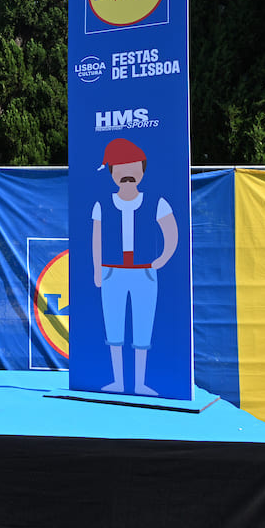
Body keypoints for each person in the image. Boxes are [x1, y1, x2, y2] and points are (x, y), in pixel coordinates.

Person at [92, 138, 178, 396]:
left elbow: (171, 233)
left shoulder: (157, 202)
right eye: (119, 167)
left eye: (132, 166)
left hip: (144, 273)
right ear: (111, 173)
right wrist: (98, 270)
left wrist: (160, 261)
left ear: (142, 169)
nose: (126, 173)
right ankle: (118, 381)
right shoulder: (101, 204)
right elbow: (96, 239)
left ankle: (140, 383)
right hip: (112, 272)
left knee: (143, 328)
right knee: (113, 328)